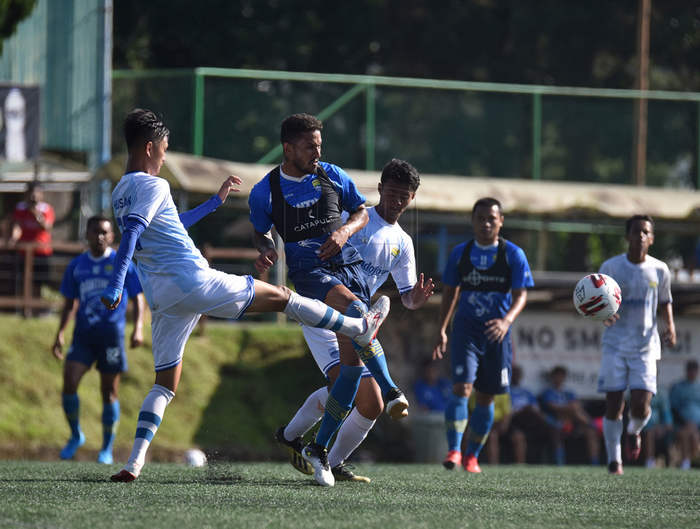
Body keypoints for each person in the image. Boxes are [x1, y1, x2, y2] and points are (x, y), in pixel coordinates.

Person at [101, 109, 391, 483]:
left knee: (164, 384)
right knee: (284, 296)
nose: (164, 158)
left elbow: (167, 223)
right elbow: (131, 237)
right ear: (151, 146)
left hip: (163, 298)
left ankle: (133, 464)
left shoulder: (120, 191)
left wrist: (213, 204)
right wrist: (115, 283)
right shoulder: (153, 184)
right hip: (194, 281)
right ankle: (357, 325)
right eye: (165, 150)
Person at [249, 114, 409, 487]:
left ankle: (318, 450)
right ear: (288, 148)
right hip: (310, 278)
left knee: (350, 373)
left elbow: (360, 212)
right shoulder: (265, 190)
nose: (317, 152)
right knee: (357, 314)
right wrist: (266, 250)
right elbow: (261, 233)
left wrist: (344, 232)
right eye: (309, 146)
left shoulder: (333, 174)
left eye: (319, 145)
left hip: (347, 270)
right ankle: (391, 389)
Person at [274, 159, 433, 483]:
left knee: (370, 404)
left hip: (356, 316)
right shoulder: (354, 218)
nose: (396, 201)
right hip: (323, 310)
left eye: (404, 195)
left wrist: (413, 301)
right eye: (391, 192)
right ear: (380, 189)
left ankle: (329, 460)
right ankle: (296, 441)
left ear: (413, 198)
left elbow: (405, 295)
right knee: (343, 384)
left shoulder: (402, 243)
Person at [431, 197, 534, 473]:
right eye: (481, 218)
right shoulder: (460, 254)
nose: (486, 223)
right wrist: (442, 329)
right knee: (461, 388)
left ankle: (472, 456)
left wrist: (506, 321)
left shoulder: (513, 254)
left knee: (487, 397)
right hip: (466, 330)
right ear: (473, 221)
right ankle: (454, 450)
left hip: (497, 336)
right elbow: (450, 293)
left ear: (501, 221)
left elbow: (521, 294)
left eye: (492, 218)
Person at [52, 215, 145, 464]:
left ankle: (106, 449)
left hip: (111, 337)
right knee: (70, 382)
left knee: (109, 393)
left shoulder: (121, 262)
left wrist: (138, 328)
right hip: (83, 335)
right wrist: (60, 332)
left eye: (105, 232)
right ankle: (75, 436)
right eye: (95, 232)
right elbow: (70, 302)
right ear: (87, 234)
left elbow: (138, 297)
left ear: (112, 236)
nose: (100, 236)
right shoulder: (76, 266)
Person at [597, 214, 676, 475]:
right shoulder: (611, 266)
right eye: (636, 231)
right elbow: (599, 300)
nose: (641, 236)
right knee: (614, 404)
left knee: (642, 405)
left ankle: (633, 431)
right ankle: (613, 461)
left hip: (645, 346)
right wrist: (604, 313)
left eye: (646, 232)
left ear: (651, 238)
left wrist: (670, 325)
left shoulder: (660, 269)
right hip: (615, 345)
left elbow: (664, 301)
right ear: (627, 236)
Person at [6, 181, 55, 315]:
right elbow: (17, 226)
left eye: (37, 192)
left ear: (41, 194)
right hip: (24, 251)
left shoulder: (46, 209)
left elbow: (46, 227)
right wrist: (13, 238)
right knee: (24, 280)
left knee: (39, 282)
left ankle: (37, 310)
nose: (34, 195)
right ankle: (25, 310)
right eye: (31, 192)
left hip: (42, 251)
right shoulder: (20, 208)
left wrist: (35, 213)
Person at [539, 365, 600, 466]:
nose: (559, 379)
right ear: (552, 378)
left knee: (590, 433)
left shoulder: (569, 393)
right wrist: (569, 408)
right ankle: (591, 423)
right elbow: (553, 408)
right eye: (557, 376)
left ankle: (594, 462)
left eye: (561, 376)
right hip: (557, 422)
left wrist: (572, 410)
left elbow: (577, 407)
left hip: (573, 422)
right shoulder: (547, 393)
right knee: (572, 411)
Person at [669, 360, 700, 470]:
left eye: (694, 370)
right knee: (686, 434)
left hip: (697, 426)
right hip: (681, 425)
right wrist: (685, 422)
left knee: (693, 434)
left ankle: (692, 461)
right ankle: (687, 462)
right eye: (690, 370)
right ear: (687, 371)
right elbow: (673, 408)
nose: (693, 372)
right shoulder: (678, 387)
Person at [640, 388, 673, 469]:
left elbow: (666, 413)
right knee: (649, 433)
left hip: (659, 426)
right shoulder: (638, 391)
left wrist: (664, 426)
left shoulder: (661, 393)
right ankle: (649, 462)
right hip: (642, 426)